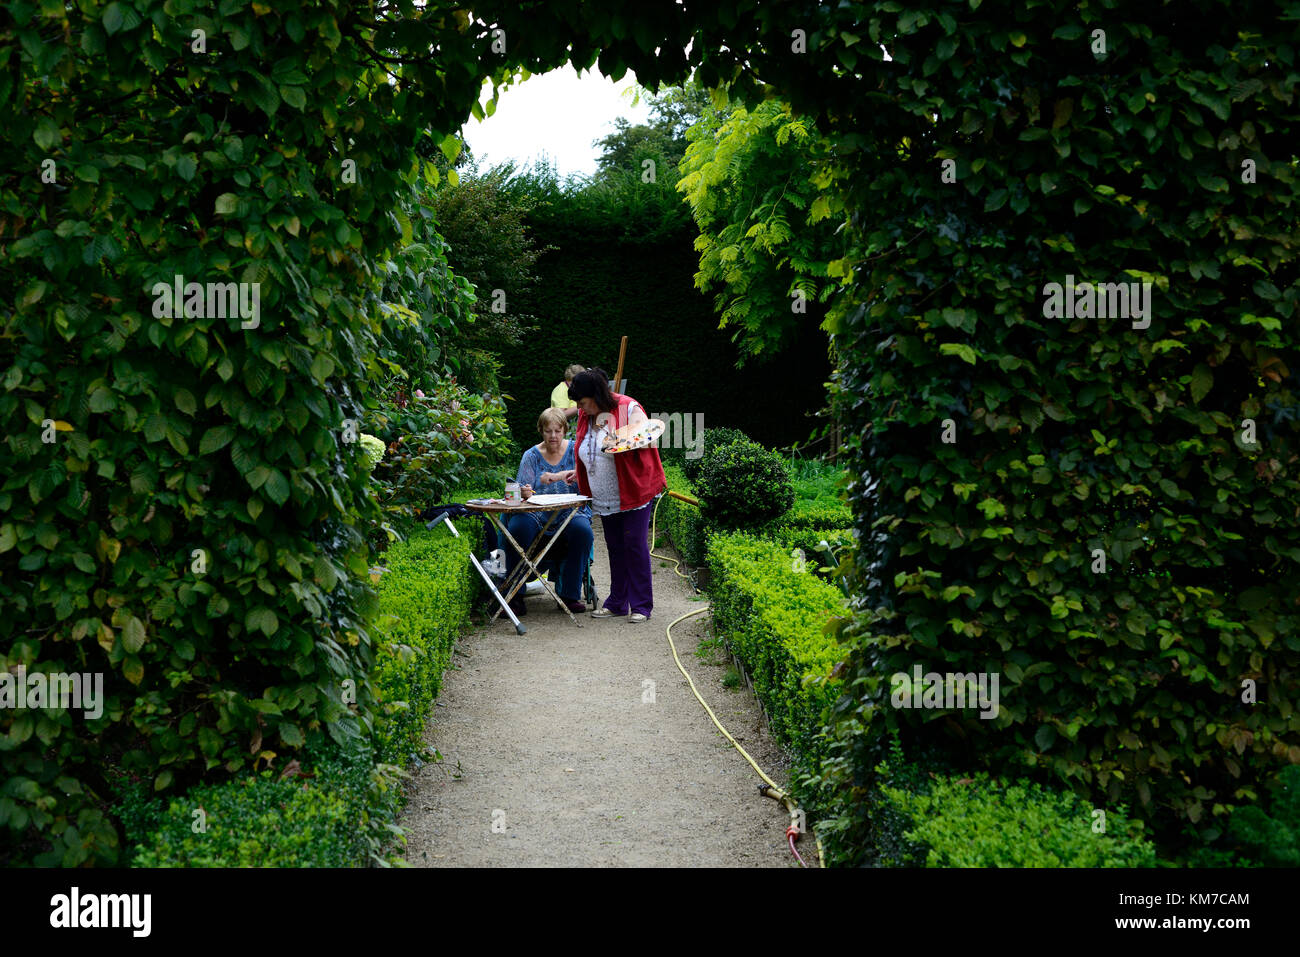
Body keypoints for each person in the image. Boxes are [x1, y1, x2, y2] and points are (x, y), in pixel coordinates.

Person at [563, 370, 666, 622]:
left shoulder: (628, 407)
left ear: (596, 395)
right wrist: (581, 470)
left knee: (634, 545)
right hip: (606, 496)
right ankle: (618, 602)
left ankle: (641, 605)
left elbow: (648, 438)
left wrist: (624, 438)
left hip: (633, 492)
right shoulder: (586, 415)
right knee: (616, 547)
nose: (579, 408)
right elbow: (586, 446)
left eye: (582, 402)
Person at [503, 408, 593, 616]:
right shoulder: (531, 456)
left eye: (557, 431)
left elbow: (588, 484)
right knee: (517, 527)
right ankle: (514, 594)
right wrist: (524, 491)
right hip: (537, 513)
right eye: (548, 431)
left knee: (582, 531)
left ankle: (569, 595)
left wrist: (572, 478)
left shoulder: (575, 451)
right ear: (541, 431)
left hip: (569, 511)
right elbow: (520, 492)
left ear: (565, 430)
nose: (553, 436)